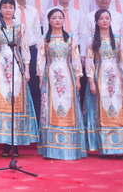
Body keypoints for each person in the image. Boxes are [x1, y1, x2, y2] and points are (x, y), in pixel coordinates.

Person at [0, 0, 38, 158]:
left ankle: (15, 144)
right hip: (0, 66)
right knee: (3, 103)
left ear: (14, 10)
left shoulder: (20, 27)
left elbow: (25, 49)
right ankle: (5, 143)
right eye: (5, 7)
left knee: (16, 103)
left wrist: (27, 70)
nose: (7, 10)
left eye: (10, 7)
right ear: (0, 9)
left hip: (16, 66)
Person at [85, 9, 123, 156]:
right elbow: (89, 62)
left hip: (117, 78)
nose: (105, 21)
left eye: (107, 18)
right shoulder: (92, 40)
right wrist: (91, 81)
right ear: (96, 22)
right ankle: (104, 146)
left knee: (118, 108)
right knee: (101, 109)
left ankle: (121, 146)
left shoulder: (117, 40)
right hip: (100, 76)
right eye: (101, 18)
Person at [37, 9, 86, 160]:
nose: (57, 20)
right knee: (51, 108)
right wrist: (41, 79)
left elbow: (75, 59)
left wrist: (78, 78)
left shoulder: (70, 38)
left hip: (67, 76)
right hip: (50, 76)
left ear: (64, 20)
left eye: (60, 17)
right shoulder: (44, 40)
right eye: (54, 18)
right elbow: (41, 60)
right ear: (49, 21)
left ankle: (71, 147)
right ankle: (51, 148)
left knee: (68, 106)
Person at [13, 0, 42, 120]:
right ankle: (17, 118)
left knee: (34, 87)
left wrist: (40, 55)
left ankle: (34, 120)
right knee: (16, 86)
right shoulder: (10, 10)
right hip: (15, 51)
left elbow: (37, 34)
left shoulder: (33, 11)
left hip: (31, 51)